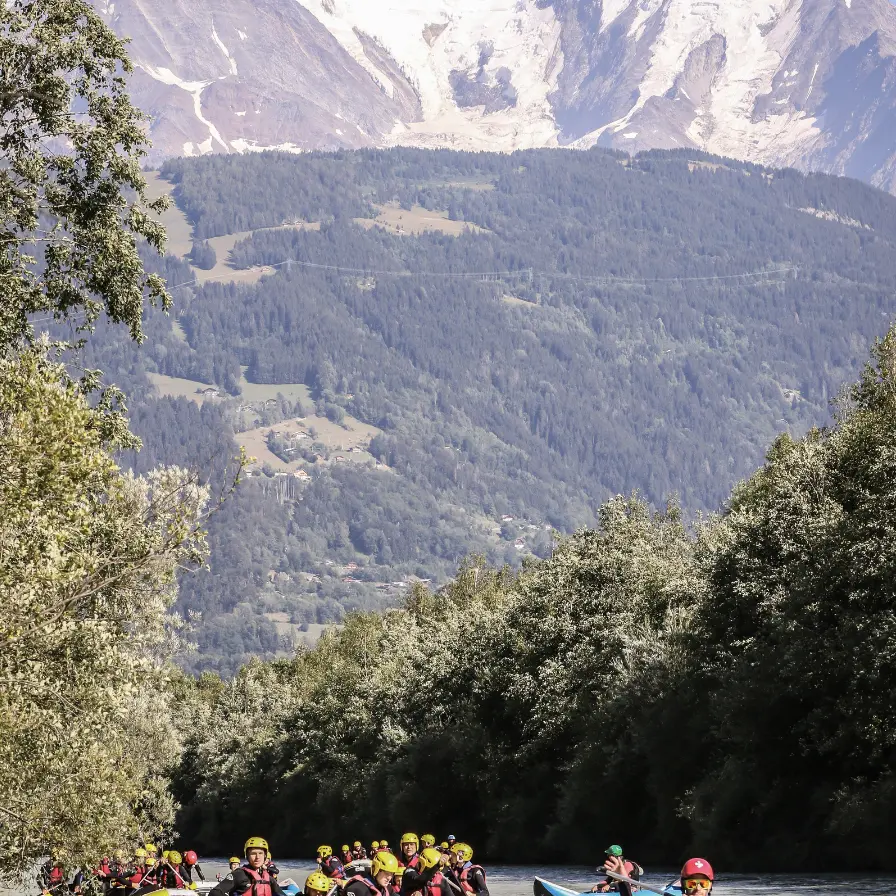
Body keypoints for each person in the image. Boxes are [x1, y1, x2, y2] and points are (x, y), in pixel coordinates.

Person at [209, 837, 287, 896]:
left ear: (265, 856)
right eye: (253, 853)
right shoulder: (238, 874)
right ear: (247, 856)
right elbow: (215, 892)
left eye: (260, 853)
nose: (257, 857)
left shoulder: (269, 879)